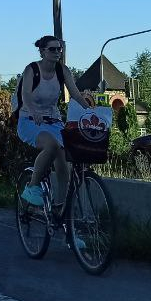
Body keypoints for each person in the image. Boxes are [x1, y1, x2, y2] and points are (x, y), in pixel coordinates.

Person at [16, 35, 92, 214]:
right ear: (42, 51)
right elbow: (25, 94)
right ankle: (32, 187)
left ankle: (60, 209)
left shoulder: (62, 70)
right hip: (29, 120)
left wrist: (90, 110)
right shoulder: (32, 70)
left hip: (53, 121)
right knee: (51, 145)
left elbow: (75, 94)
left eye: (59, 49)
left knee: (64, 159)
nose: (57, 52)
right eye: (52, 49)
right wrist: (33, 111)